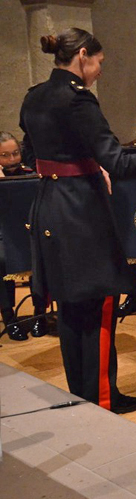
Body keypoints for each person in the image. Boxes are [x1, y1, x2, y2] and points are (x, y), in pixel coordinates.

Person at [19, 28, 136, 413]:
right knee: (98, 304)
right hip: (82, 213)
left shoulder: (35, 96)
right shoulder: (79, 102)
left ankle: (78, 394)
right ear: (83, 55)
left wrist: (71, 169)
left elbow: (32, 153)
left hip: (49, 205)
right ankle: (101, 399)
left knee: (70, 306)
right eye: (98, 63)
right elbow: (120, 162)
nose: (98, 71)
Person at [0, 131, 45, 341]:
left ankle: (40, 314)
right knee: (1, 259)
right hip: (3, 237)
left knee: (42, 254)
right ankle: (9, 318)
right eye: (5, 156)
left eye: (15, 153)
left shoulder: (31, 174)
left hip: (29, 233)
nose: (12, 160)